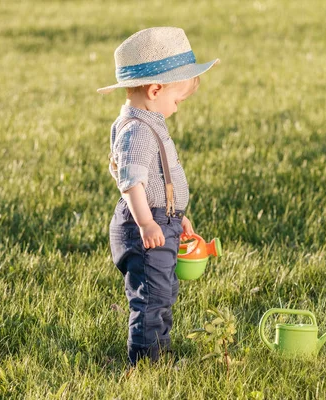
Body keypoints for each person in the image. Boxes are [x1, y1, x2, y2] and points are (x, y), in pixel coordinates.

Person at [97, 27, 219, 365]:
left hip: (159, 219)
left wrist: (176, 217)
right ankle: (148, 362)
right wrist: (149, 222)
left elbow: (157, 178)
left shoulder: (145, 121)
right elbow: (131, 181)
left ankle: (159, 352)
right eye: (177, 100)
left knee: (162, 292)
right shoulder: (137, 130)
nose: (177, 108)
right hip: (145, 224)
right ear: (155, 90)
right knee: (150, 296)